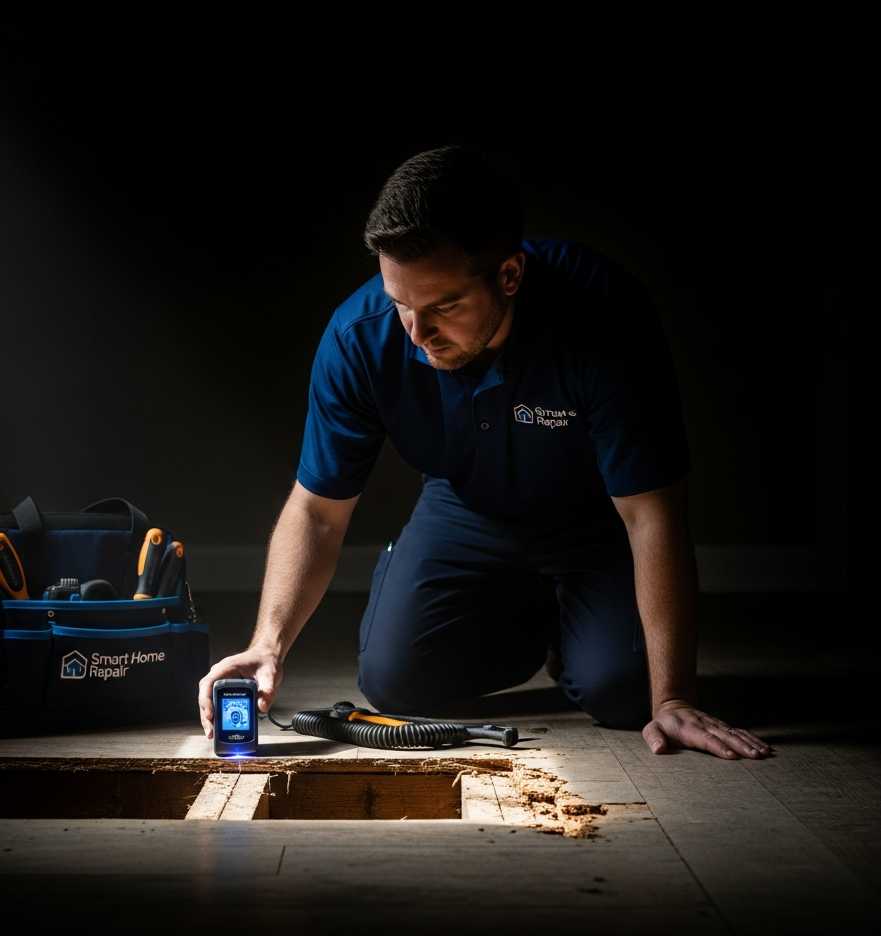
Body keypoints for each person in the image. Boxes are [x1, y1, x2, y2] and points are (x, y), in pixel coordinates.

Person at [200, 146, 768, 760]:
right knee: (395, 683)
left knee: (626, 694)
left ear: (509, 276)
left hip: (596, 518)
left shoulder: (603, 314)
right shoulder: (358, 336)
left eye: (443, 307)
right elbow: (316, 512)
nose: (416, 336)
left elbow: (652, 514)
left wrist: (673, 698)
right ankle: (543, 620)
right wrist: (267, 644)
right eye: (401, 305)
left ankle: (584, 632)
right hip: (464, 510)